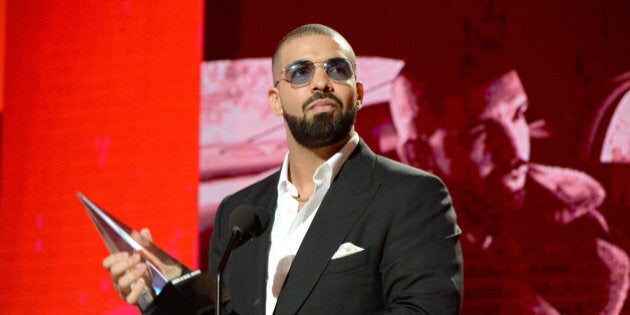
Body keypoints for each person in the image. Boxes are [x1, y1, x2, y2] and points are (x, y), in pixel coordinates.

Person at [103, 24, 463, 314]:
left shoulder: (412, 196)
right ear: (276, 101)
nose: (321, 82)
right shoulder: (239, 214)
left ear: (360, 92)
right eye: (301, 72)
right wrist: (168, 291)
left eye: (337, 69)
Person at [390, 67, 629, 314]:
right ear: (419, 156)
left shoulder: (583, 220)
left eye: (518, 115)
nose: (515, 149)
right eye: (480, 133)